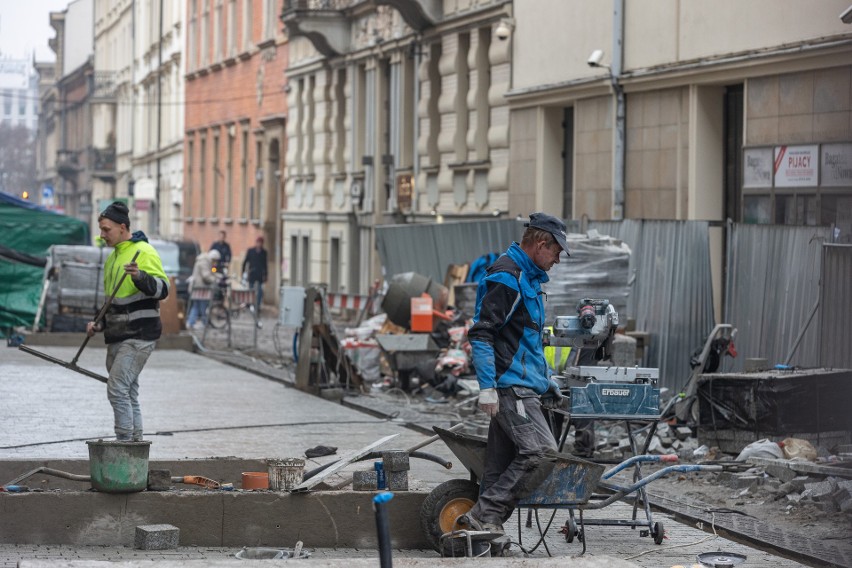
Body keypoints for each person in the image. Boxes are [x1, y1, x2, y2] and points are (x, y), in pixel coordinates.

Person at [464, 212, 571, 534]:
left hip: (524, 386)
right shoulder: (507, 277)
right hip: (511, 389)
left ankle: (484, 535)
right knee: (541, 453)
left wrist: (545, 380)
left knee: (497, 468)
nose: (557, 260)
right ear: (541, 244)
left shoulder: (528, 279)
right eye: (556, 252)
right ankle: (484, 515)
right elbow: (483, 333)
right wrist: (487, 387)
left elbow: (527, 341)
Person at [86, 202, 169, 442]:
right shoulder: (114, 258)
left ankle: (124, 444)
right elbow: (112, 302)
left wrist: (140, 277)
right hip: (119, 335)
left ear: (122, 227)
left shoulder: (143, 252)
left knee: (118, 388)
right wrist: (97, 323)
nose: (102, 235)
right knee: (128, 391)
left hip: (139, 335)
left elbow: (163, 289)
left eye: (106, 229)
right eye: (101, 229)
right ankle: (135, 445)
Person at [185, 249, 221, 330]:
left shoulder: (206, 262)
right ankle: (203, 322)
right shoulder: (204, 262)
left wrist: (218, 276)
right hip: (200, 289)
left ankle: (191, 322)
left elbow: (211, 272)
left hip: (199, 289)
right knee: (202, 306)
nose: (215, 263)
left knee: (197, 306)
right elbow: (206, 276)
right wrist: (216, 280)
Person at [241, 236, 268, 316]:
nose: (259, 244)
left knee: (259, 291)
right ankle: (251, 304)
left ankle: (257, 306)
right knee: (251, 290)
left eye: (260, 243)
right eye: (258, 242)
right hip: (252, 273)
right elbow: (245, 262)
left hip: (259, 275)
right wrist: (243, 272)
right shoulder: (251, 251)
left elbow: (265, 265)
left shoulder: (264, 252)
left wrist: (266, 274)